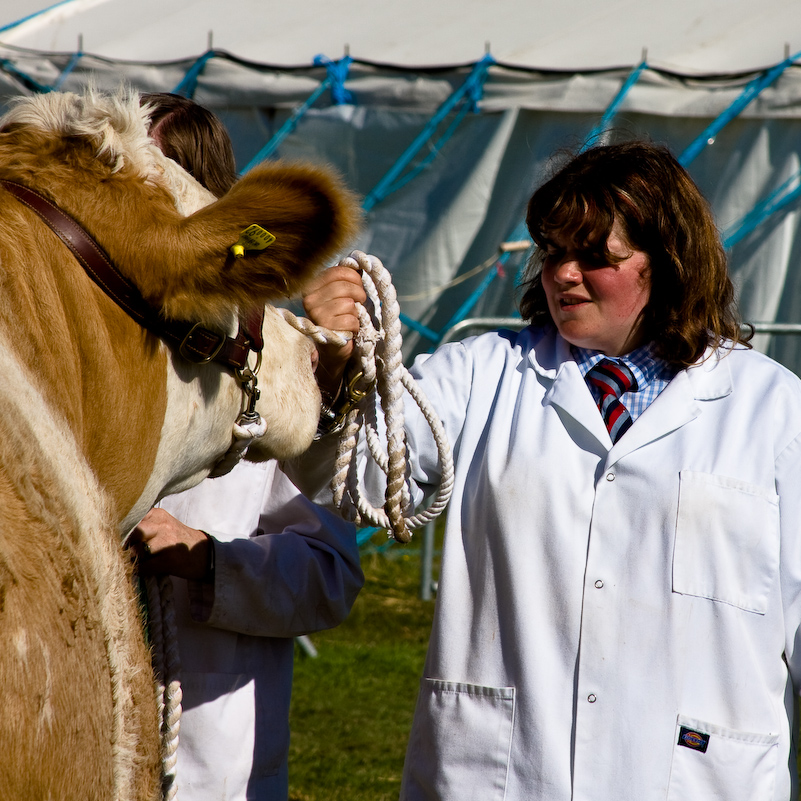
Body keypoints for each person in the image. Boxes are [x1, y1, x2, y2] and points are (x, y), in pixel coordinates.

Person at [292, 140, 801, 801]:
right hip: (502, 770)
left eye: (594, 256)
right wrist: (332, 367)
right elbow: (356, 482)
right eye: (553, 251)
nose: (563, 273)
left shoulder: (773, 408)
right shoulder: (479, 373)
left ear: (670, 263)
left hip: (695, 776)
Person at [129, 93, 364, 801]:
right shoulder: (50, 356)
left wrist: (206, 560)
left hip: (209, 766)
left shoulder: (274, 366)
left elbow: (330, 573)